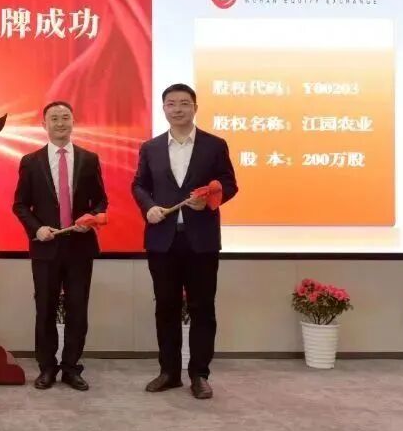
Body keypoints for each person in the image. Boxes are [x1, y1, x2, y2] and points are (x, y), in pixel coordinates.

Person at [132, 83, 238, 400]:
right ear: (163, 108)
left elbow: (229, 184)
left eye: (184, 103)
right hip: (162, 241)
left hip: (201, 241)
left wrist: (209, 201)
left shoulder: (214, 145)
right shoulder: (150, 148)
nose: (177, 109)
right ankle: (169, 372)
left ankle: (199, 375)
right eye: (171, 103)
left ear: (195, 107)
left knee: (202, 308)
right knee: (165, 307)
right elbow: (139, 185)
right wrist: (148, 207)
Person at [13, 101, 108, 391]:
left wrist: (91, 218)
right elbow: (20, 205)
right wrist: (37, 228)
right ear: (44, 125)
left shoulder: (89, 159)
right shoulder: (31, 161)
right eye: (54, 118)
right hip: (46, 247)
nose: (60, 123)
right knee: (45, 308)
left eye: (65, 117)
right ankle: (47, 368)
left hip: (80, 246)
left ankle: (71, 368)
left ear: (73, 122)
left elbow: (101, 201)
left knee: (78, 308)